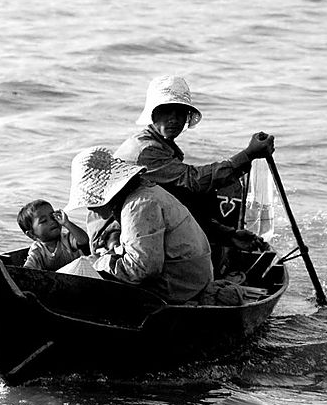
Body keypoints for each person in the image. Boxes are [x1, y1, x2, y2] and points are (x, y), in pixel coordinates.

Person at [108, 75, 274, 272]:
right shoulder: (146, 150)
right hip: (118, 235)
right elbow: (193, 181)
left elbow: (183, 202)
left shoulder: (162, 146)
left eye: (180, 114)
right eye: (166, 112)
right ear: (153, 114)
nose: (174, 120)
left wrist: (228, 235)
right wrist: (247, 155)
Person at [65, 146, 215, 304]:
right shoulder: (141, 196)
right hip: (191, 278)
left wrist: (100, 263)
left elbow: (142, 270)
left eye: (91, 200)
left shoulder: (138, 206)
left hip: (181, 285)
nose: (89, 207)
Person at [0, 199, 90, 271]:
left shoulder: (66, 239)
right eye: (44, 221)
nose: (52, 221)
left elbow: (84, 241)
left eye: (53, 216)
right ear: (31, 234)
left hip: (79, 274)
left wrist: (67, 223)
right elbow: (28, 271)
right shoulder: (37, 250)